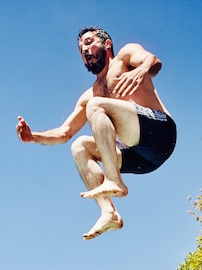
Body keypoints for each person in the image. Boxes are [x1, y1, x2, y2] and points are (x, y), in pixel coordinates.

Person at [16, 26, 176, 239]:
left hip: (160, 133)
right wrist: (32, 137)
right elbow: (64, 132)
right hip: (141, 158)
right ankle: (109, 213)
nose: (85, 50)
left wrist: (141, 70)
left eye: (89, 42)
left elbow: (153, 61)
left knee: (96, 106)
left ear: (106, 44)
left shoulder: (125, 57)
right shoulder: (89, 94)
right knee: (79, 146)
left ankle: (113, 180)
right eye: (81, 49)